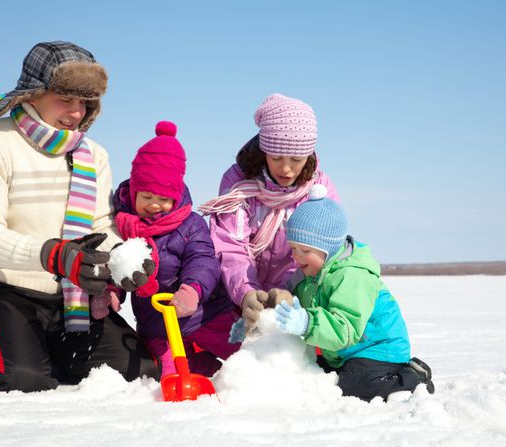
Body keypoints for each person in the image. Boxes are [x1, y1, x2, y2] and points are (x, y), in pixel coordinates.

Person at [0, 41, 159, 392]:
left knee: (138, 370)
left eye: (84, 102)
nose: (76, 112)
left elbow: (100, 226)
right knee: (21, 379)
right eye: (65, 99)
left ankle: (39, 349)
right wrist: (54, 254)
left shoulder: (92, 155)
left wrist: (120, 259)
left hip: (69, 295)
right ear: (32, 95)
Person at [273, 185, 435, 401]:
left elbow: (345, 330)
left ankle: (413, 378)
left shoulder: (352, 276)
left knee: (352, 387)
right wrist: (268, 307)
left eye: (305, 251)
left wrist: (307, 323)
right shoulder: (308, 273)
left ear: (328, 249)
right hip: (343, 352)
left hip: (378, 349)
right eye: (293, 248)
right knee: (310, 371)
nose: (297, 257)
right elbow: (288, 296)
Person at [199, 93, 339, 335]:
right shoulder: (239, 183)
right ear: (265, 151)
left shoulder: (319, 189)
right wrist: (246, 293)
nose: (286, 168)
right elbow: (230, 246)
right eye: (276, 158)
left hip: (292, 301)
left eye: (296, 159)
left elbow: (322, 251)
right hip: (234, 294)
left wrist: (291, 289)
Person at [112, 121, 238, 378]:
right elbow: (116, 262)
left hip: (206, 314)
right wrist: (112, 291)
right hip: (158, 323)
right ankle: (205, 368)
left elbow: (202, 259)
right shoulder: (123, 225)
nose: (155, 206)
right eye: (146, 197)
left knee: (245, 356)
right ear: (134, 192)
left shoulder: (190, 224)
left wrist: (192, 290)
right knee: (168, 374)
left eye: (164, 200)